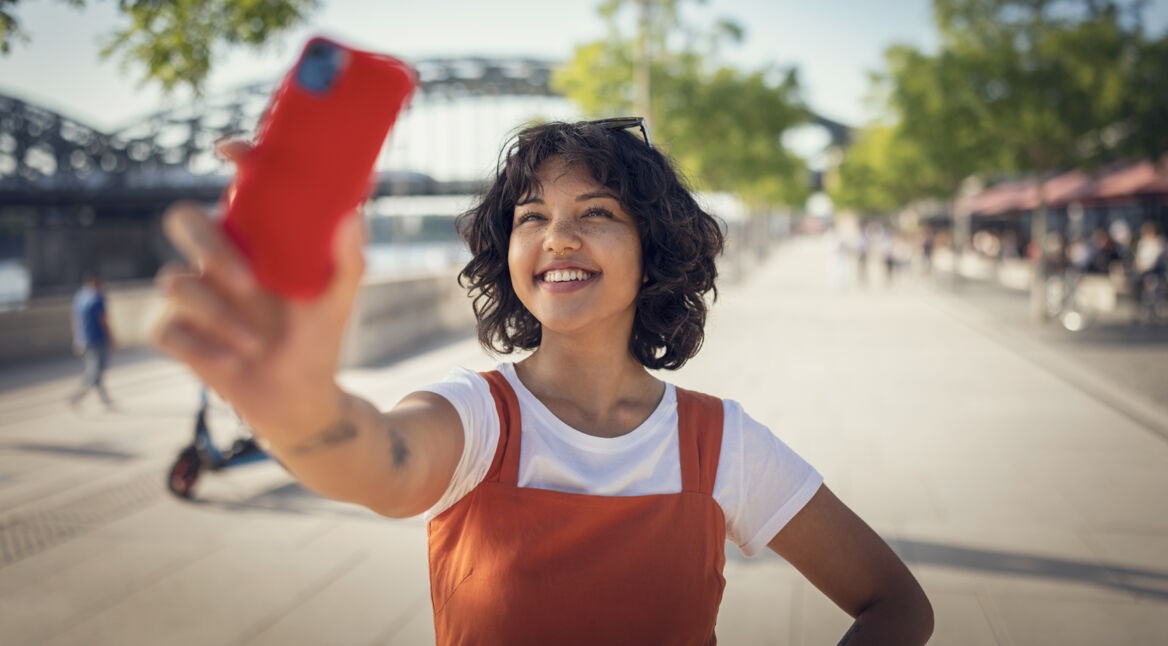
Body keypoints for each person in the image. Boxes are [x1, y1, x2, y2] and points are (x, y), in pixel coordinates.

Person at [153, 119, 933, 644]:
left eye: (595, 212)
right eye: (532, 216)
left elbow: (898, 604)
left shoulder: (720, 443)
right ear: (509, 253)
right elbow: (378, 463)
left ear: (651, 250)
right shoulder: (477, 416)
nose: (558, 234)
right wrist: (302, 408)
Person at [69, 271, 116, 408]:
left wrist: (76, 338)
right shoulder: (98, 299)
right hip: (97, 339)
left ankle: (105, 400)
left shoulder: (80, 296)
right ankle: (77, 397)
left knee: (95, 370)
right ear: (98, 283)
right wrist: (113, 340)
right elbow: (104, 321)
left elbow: (75, 318)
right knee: (96, 372)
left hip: (84, 339)